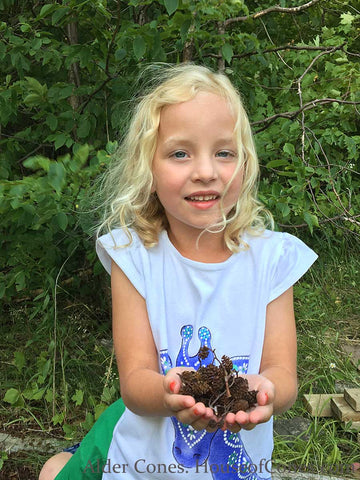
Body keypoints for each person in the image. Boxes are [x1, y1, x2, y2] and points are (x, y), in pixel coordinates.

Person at [39, 63, 317, 480]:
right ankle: (67, 462)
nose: (205, 171)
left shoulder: (273, 260)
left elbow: (283, 374)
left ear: (245, 162)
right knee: (56, 472)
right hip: (143, 467)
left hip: (239, 469)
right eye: (179, 153)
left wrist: (268, 392)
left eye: (224, 152)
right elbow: (135, 384)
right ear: (148, 169)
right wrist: (171, 393)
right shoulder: (134, 256)